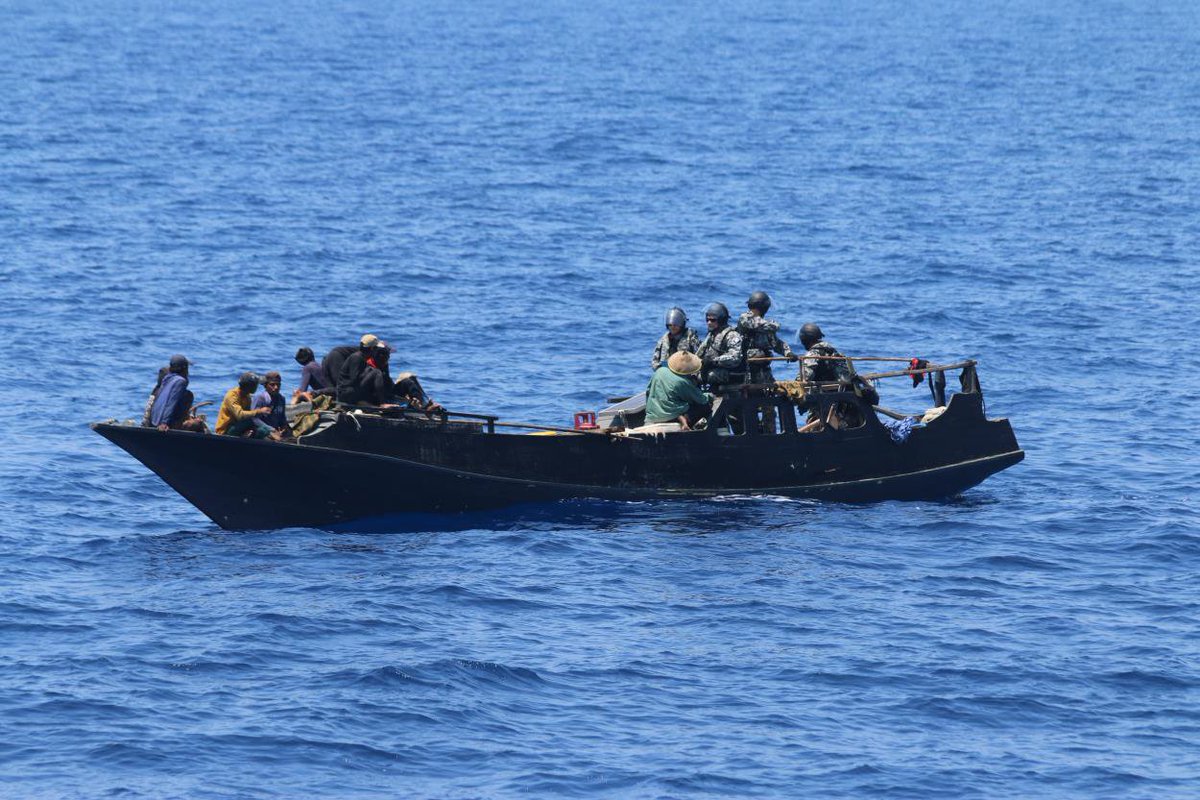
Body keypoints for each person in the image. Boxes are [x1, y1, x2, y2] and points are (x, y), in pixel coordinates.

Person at [737, 293, 797, 433]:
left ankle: (769, 436)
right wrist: (776, 324)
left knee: (769, 407)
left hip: (764, 372)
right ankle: (753, 435)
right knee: (749, 406)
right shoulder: (745, 318)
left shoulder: (765, 329)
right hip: (747, 372)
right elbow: (765, 325)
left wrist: (788, 352)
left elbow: (776, 343)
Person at [644, 352, 713, 430]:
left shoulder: (659, 371)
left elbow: (648, 392)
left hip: (652, 416)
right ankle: (691, 426)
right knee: (705, 407)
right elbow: (702, 400)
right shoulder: (682, 382)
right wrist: (710, 396)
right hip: (670, 418)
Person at [148, 354, 205, 432]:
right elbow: (171, 401)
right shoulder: (180, 381)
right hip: (166, 424)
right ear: (184, 369)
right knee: (198, 424)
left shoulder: (167, 378)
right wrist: (164, 422)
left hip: (154, 422)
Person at [695, 302, 744, 392]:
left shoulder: (732, 335)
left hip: (730, 373)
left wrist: (714, 361)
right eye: (707, 320)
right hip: (714, 369)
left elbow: (735, 358)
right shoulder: (712, 335)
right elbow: (699, 353)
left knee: (702, 376)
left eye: (713, 320)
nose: (709, 323)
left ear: (721, 320)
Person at [216, 372, 276, 438]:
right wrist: (259, 411)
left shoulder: (247, 397)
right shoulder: (232, 395)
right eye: (255, 385)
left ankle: (251, 445)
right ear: (249, 386)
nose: (257, 387)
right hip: (225, 430)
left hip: (239, 426)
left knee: (263, 430)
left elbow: (248, 414)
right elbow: (240, 415)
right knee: (250, 421)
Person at [336, 334, 382, 405]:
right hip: (346, 393)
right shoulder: (357, 358)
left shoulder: (363, 357)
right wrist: (369, 370)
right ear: (372, 348)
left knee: (374, 371)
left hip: (351, 390)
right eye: (376, 348)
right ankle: (382, 402)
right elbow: (354, 379)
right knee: (376, 372)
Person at [252, 371, 292, 439]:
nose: (276, 387)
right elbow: (254, 418)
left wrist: (284, 428)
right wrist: (270, 430)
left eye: (278, 385)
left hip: (276, 430)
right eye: (272, 385)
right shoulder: (260, 398)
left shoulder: (281, 399)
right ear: (265, 385)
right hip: (263, 431)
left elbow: (282, 418)